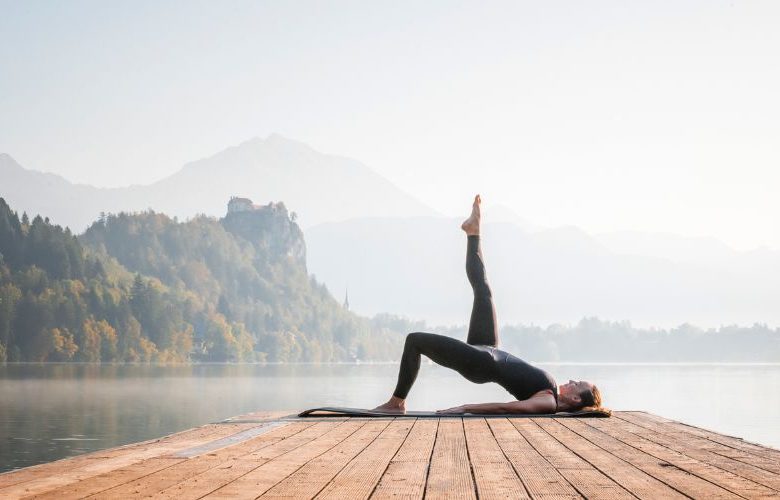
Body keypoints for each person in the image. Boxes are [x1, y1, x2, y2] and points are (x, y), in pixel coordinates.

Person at [374, 195, 602, 415]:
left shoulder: (548, 402)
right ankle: (474, 231)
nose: (572, 380)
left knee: (415, 341)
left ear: (575, 399)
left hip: (480, 363)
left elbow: (507, 408)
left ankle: (396, 402)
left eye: (577, 384)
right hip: (488, 348)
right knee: (483, 290)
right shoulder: (551, 394)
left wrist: (467, 407)